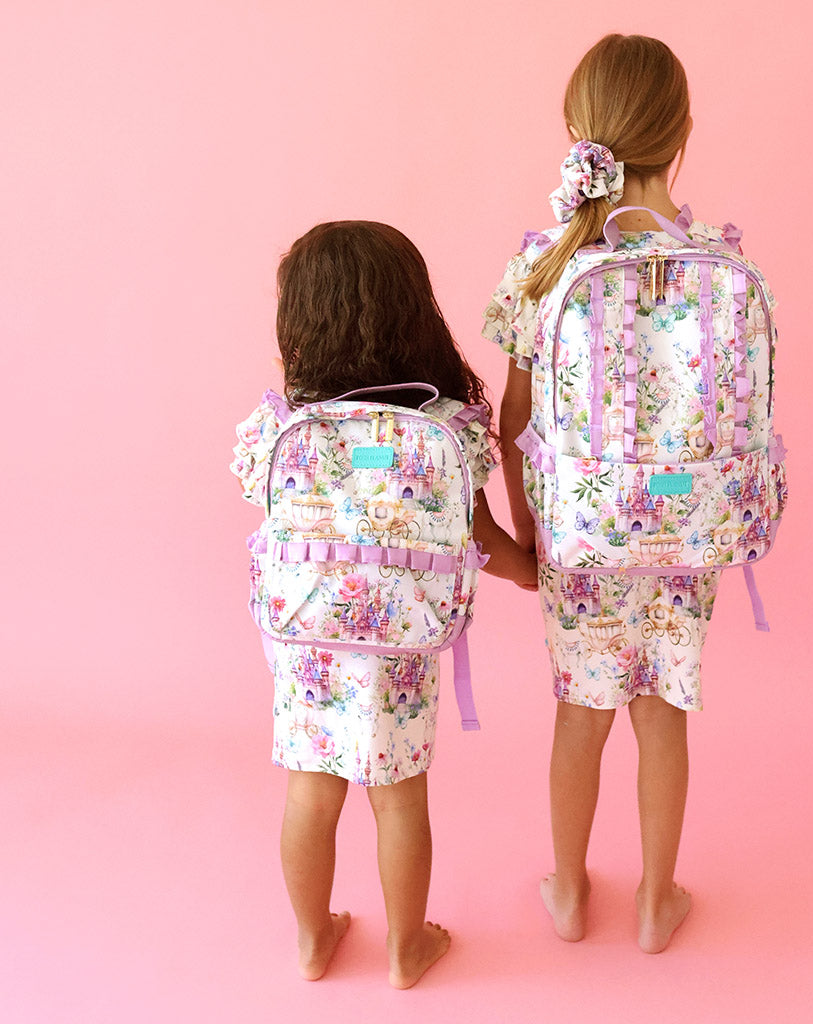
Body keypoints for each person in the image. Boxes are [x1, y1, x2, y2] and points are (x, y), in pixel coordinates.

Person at [484, 34, 755, 954]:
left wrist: (532, 542)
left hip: (581, 540)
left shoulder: (544, 265)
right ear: (681, 135)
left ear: (578, 133)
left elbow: (514, 426)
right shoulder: (719, 263)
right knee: (663, 709)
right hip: (688, 530)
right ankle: (655, 899)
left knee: (581, 710)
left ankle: (567, 887)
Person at [232, 221, 537, 987]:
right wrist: (529, 571)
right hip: (402, 640)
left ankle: (312, 939)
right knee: (399, 801)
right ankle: (408, 950)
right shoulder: (445, 432)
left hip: (307, 639)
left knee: (310, 791)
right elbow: (481, 539)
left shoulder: (277, 429)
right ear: (412, 312)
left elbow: (261, 503)